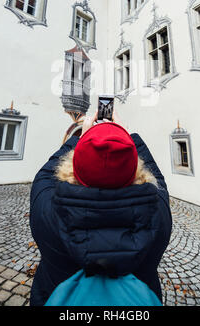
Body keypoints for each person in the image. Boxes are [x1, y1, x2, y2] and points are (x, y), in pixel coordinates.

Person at [29, 111, 172, 306]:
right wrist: (127, 136)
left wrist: (80, 138)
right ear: (135, 170)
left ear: (74, 166)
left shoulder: (49, 212)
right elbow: (158, 179)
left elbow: (44, 176)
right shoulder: (157, 215)